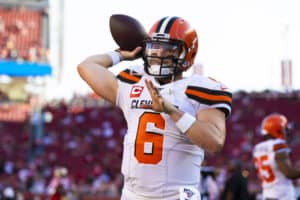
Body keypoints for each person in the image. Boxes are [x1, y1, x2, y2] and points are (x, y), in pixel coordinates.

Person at [77, 16, 232, 200]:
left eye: (167, 49)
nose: (158, 54)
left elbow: (215, 142)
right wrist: (120, 54)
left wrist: (172, 111)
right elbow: (86, 66)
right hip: (132, 195)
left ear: (186, 53)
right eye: (154, 47)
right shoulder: (134, 81)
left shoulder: (201, 89)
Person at [253, 113, 300, 200]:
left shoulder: (257, 148)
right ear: (278, 129)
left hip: (267, 195)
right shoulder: (278, 145)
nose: (286, 132)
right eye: (284, 129)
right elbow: (288, 173)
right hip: (282, 195)